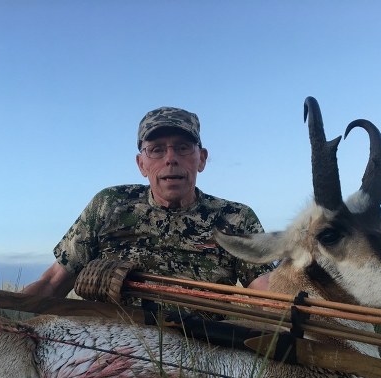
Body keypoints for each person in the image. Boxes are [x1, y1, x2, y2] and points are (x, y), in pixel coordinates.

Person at [23, 106, 272, 299]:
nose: (171, 159)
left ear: (202, 159)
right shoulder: (109, 205)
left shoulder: (236, 218)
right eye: (156, 149)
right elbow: (52, 283)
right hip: (104, 347)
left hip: (202, 347)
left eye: (183, 148)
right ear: (141, 163)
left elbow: (272, 295)